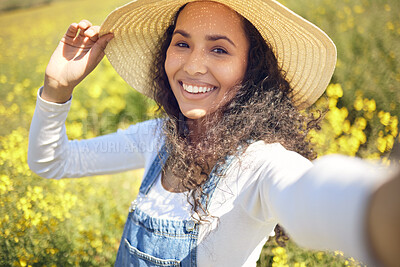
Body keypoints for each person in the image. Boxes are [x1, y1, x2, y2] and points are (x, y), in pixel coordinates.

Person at [28, 0, 400, 266]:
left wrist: (378, 206)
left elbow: (313, 194)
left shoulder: (260, 165)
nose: (192, 65)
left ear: (252, 69)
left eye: (219, 49)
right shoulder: (158, 137)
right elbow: (51, 162)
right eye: (182, 43)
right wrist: (57, 88)